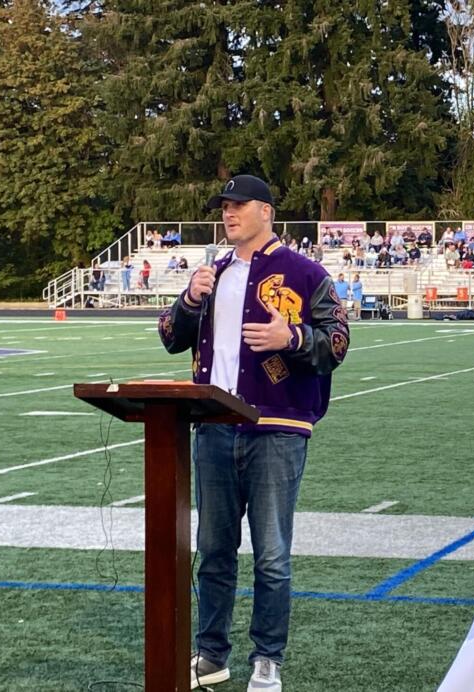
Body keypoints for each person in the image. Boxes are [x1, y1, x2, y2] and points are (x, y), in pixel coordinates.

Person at [156, 174, 348, 691]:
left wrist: (294, 336)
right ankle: (211, 654)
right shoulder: (211, 274)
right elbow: (170, 337)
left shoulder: (305, 273)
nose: (228, 213)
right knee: (214, 550)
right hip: (213, 428)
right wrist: (189, 302)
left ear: (266, 211)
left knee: (272, 555)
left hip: (277, 430)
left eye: (239, 205)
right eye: (224, 206)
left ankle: (267, 659)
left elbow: (338, 342)